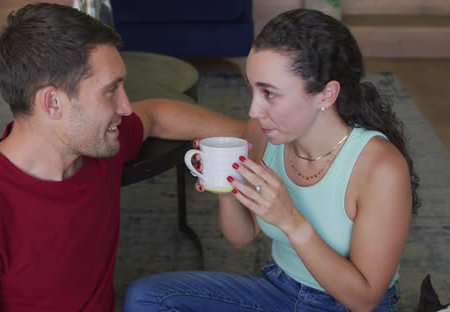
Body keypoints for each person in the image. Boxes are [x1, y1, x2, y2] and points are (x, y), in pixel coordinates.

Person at [0, 3, 246, 312]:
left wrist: (249, 134)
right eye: (110, 90)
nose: (125, 107)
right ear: (53, 103)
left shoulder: (97, 144)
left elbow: (155, 114)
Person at [124, 8, 420, 312]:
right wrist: (226, 189)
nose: (253, 111)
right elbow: (241, 236)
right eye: (253, 89)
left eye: (270, 94)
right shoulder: (267, 135)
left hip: (348, 304)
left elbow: (365, 298)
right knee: (148, 297)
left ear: (326, 95)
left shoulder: (380, 168)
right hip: (280, 291)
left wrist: (291, 221)